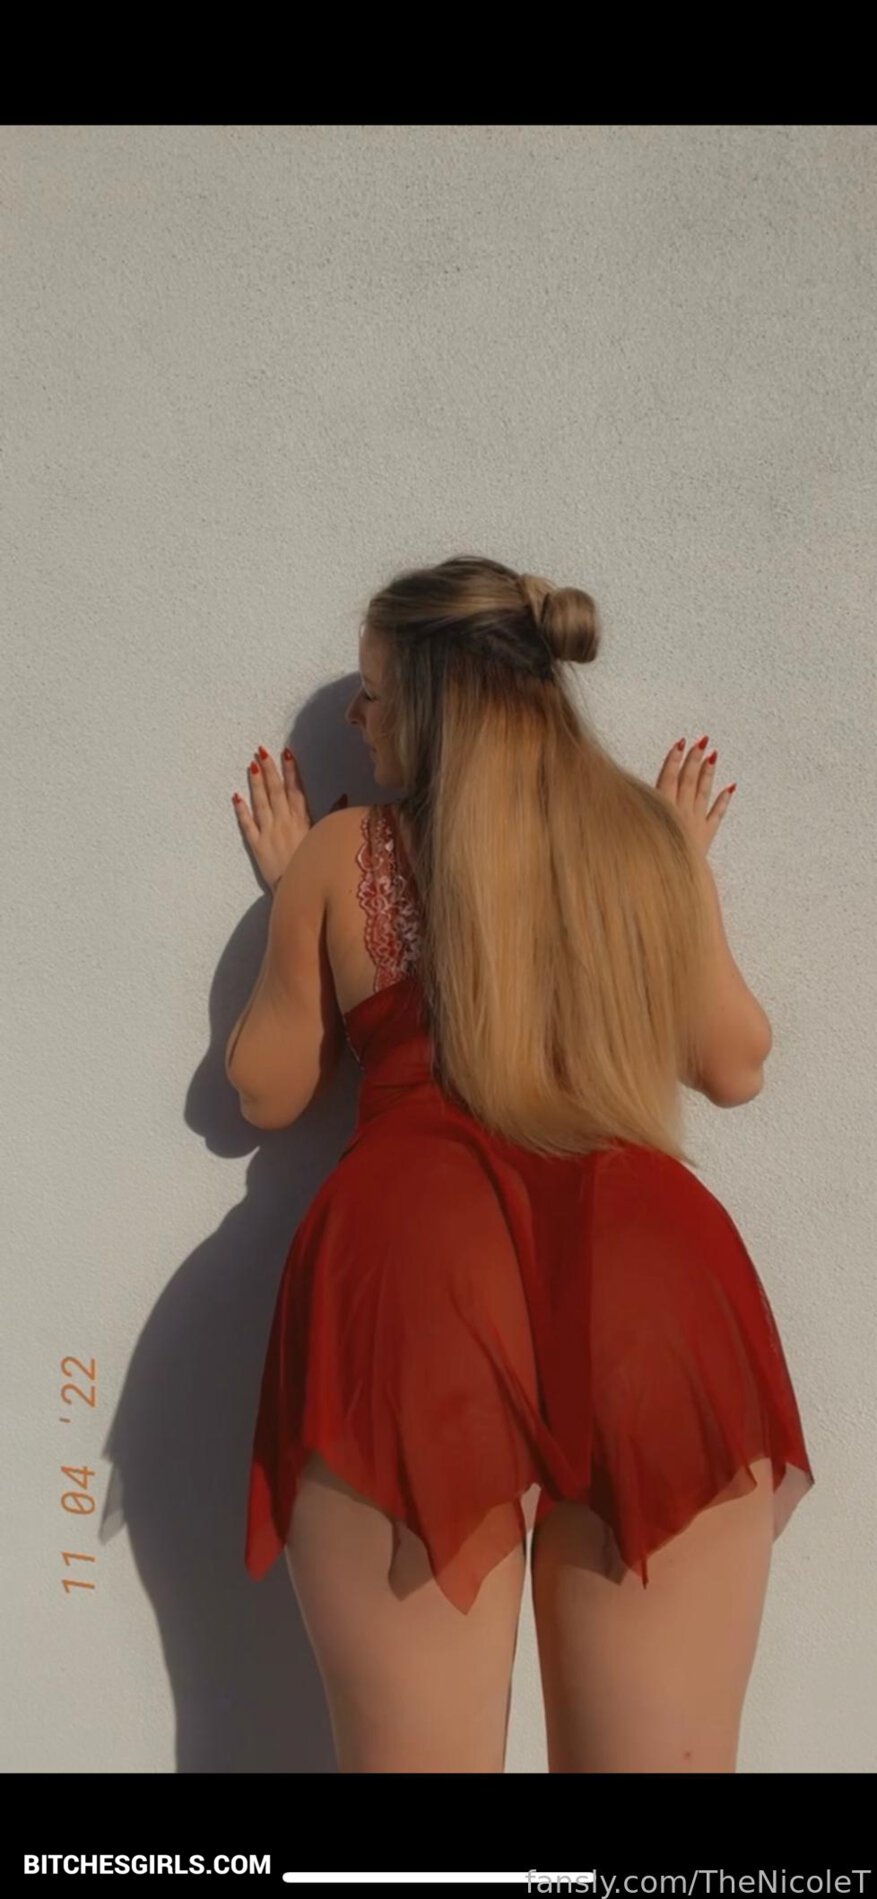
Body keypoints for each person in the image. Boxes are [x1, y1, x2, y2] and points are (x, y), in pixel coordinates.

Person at [226, 554, 815, 1774]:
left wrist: (295, 901)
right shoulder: (642, 845)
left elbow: (264, 1090)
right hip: (650, 1276)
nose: (359, 720)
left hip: (414, 1278)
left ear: (435, 704)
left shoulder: (346, 853)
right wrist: (681, 872)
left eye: (376, 694)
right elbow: (734, 1063)